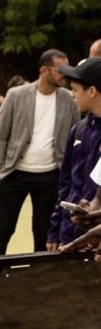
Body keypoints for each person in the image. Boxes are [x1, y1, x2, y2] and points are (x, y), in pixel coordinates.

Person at [0, 49, 79, 255]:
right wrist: (0, 169)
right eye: (60, 70)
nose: (65, 75)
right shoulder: (16, 95)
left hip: (50, 175)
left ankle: (39, 277)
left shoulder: (70, 100)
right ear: (44, 70)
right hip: (14, 172)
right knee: (3, 231)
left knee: (44, 235)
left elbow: (74, 139)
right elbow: (0, 136)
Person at [47, 58, 101, 250]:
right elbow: (66, 185)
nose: (72, 95)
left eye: (75, 90)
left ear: (92, 91)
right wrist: (55, 230)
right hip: (70, 233)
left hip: (96, 238)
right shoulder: (78, 130)